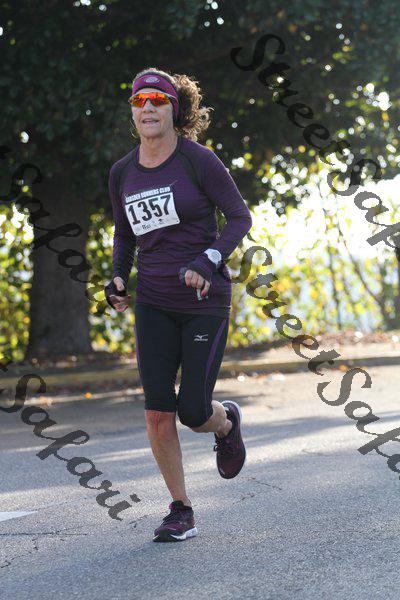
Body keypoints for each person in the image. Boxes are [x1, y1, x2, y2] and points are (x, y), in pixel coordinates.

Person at [104, 67, 252, 542]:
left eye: (158, 100)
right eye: (139, 101)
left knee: (193, 411)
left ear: (174, 108)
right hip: (153, 301)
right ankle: (180, 509)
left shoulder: (198, 161)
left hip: (203, 300)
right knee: (157, 411)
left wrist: (208, 260)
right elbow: (125, 234)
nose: (148, 107)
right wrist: (118, 278)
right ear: (133, 112)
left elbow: (239, 217)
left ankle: (225, 423)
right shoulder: (122, 172)